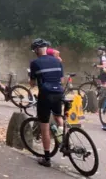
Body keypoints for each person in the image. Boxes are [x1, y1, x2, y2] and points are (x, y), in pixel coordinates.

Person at [29, 38, 65, 167]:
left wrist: (31, 80)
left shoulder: (35, 63)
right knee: (58, 116)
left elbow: (33, 83)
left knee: (44, 127)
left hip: (45, 95)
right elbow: (62, 79)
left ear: (37, 50)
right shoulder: (57, 61)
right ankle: (63, 140)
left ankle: (47, 158)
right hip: (59, 92)